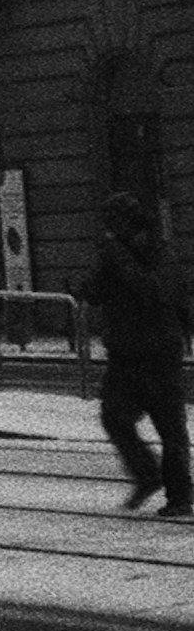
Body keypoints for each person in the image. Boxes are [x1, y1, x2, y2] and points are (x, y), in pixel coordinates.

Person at [82, 192, 192, 517]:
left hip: (158, 353)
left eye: (115, 222)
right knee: (114, 418)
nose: (111, 229)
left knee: (170, 428)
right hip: (126, 354)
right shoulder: (116, 254)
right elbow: (96, 292)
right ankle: (147, 475)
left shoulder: (159, 251)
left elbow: (154, 292)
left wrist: (119, 260)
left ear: (129, 221)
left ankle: (180, 496)